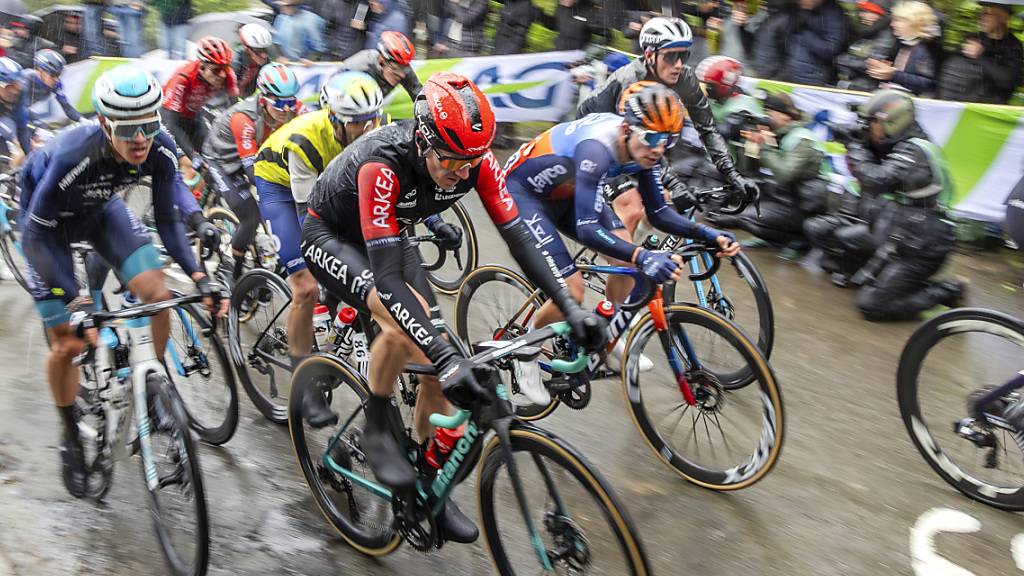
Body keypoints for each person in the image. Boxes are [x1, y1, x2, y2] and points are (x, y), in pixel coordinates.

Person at [301, 71, 608, 542]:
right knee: (406, 331)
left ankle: (424, 484)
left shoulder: (475, 162)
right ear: (423, 140)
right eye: (451, 161)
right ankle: (379, 421)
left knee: (439, 370)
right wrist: (445, 357)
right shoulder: (382, 164)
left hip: (389, 231)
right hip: (333, 235)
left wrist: (569, 304)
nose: (463, 172)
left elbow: (519, 237)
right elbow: (385, 282)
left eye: (472, 161)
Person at [17, 66, 227, 498]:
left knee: (159, 295)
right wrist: (75, 301)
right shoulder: (73, 153)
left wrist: (200, 277)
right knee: (69, 343)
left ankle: (157, 390)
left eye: (148, 124)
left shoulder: (158, 146)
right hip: (49, 229)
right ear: (103, 123)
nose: (140, 139)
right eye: (127, 128)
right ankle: (71, 435)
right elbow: (34, 234)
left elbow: (168, 218)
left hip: (99, 212)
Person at [506, 81, 739, 393]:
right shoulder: (597, 149)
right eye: (652, 137)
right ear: (627, 129)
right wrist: (643, 256)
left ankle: (609, 336)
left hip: (568, 191)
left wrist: (709, 234)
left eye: (667, 140)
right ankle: (525, 349)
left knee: (627, 268)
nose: (658, 148)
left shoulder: (645, 151)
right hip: (526, 194)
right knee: (572, 292)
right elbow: (588, 228)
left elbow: (659, 212)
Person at [253, 71, 383, 414]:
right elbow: (310, 223)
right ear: (336, 120)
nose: (367, 130)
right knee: (307, 287)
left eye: (372, 120)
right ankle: (302, 379)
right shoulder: (306, 140)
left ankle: (329, 328)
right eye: (357, 123)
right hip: (280, 187)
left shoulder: (376, 131)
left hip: (329, 181)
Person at [577, 17, 759, 246]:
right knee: (632, 208)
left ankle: (637, 254)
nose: (679, 64)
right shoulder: (631, 80)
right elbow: (641, 142)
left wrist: (733, 175)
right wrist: (673, 184)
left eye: (684, 55)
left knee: (660, 205)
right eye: (672, 56)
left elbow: (708, 130)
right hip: (599, 142)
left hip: (638, 143)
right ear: (650, 54)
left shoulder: (685, 78)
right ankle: (621, 262)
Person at [842, 89, 963, 321]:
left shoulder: (915, 149)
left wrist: (856, 147)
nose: (868, 129)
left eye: (873, 123)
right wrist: (861, 145)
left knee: (871, 306)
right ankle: (907, 282)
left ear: (894, 120)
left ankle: (947, 290)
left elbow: (877, 181)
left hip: (924, 245)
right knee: (852, 257)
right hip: (906, 236)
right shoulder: (903, 144)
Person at [203, 63, 304, 282]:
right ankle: (235, 275)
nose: (286, 109)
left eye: (290, 102)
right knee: (251, 217)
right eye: (279, 102)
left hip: (254, 154)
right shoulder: (245, 118)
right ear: (263, 98)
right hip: (222, 161)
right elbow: (251, 170)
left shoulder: (294, 110)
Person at [710, 92, 828, 259]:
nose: (767, 117)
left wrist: (765, 147)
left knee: (745, 217)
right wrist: (749, 144)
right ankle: (774, 239)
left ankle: (800, 241)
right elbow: (748, 171)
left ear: (786, 116)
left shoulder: (802, 140)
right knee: (743, 209)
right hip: (785, 199)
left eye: (771, 112)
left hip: (806, 206)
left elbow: (784, 174)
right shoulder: (778, 135)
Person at [161, 36, 240, 187]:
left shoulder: (228, 75)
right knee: (189, 164)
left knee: (212, 157)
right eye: (217, 70)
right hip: (170, 119)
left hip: (193, 117)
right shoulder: (183, 78)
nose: (222, 75)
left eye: (226, 68)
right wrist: (192, 155)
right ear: (202, 67)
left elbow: (235, 112)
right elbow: (171, 123)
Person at [866, 0, 938, 96]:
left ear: (914, 23)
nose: (892, 24)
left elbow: (927, 83)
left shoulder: (926, 49)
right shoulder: (903, 43)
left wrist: (893, 74)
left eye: (898, 20)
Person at [958, 2, 1023, 104]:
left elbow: (1007, 80)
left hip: (994, 111)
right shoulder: (972, 39)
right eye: (981, 12)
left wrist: (979, 55)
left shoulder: (1014, 45)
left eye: (987, 13)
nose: (981, 17)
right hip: (966, 107)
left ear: (1004, 17)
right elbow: (954, 74)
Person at [338, 31, 421, 100]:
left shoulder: (403, 68)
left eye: (404, 69)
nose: (402, 75)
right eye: (395, 69)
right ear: (382, 61)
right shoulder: (359, 67)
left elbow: (420, 96)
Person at [836, 0, 897, 92]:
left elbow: (872, 64)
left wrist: (841, 60)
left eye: (869, 12)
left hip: (866, 90)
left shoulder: (887, 37)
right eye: (862, 11)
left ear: (882, 15)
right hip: (851, 85)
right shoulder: (865, 31)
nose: (862, 15)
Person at [786, 0, 848, 86]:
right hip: (792, 72)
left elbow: (831, 49)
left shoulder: (833, 12)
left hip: (815, 76)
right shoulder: (797, 8)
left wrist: (804, 36)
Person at [20, 50, 82, 125]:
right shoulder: (25, 79)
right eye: (53, 75)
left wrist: (83, 120)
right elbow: (22, 109)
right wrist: (39, 124)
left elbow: (67, 108)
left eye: (58, 75)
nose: (56, 79)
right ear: (40, 71)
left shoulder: (56, 84)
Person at [746, 0, 790, 81]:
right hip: (763, 74)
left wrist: (777, 79)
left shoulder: (785, 21)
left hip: (772, 78)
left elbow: (789, 56)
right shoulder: (768, 19)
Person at [0, 57, 32, 163]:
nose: (15, 90)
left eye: (17, 84)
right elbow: (7, 129)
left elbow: (21, 124)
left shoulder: (21, 92)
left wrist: (29, 154)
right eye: (10, 86)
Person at [233, 24, 274, 97]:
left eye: (266, 49)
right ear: (247, 49)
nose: (264, 55)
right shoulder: (234, 62)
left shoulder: (266, 62)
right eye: (258, 50)